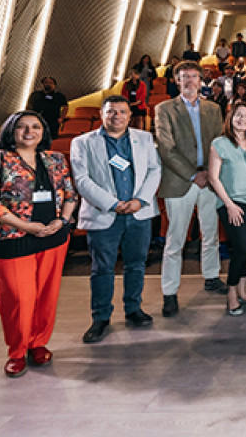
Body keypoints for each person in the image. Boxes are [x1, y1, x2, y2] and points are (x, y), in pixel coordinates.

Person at [0, 111, 77, 377]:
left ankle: (38, 343)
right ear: (10, 131)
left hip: (52, 237)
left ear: (43, 131)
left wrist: (62, 220)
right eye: (22, 127)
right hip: (10, 240)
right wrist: (26, 226)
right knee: (18, 298)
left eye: (35, 127)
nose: (29, 132)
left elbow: (70, 192)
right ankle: (17, 352)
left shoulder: (54, 159)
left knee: (45, 296)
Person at [70, 96, 161, 343]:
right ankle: (100, 317)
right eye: (111, 112)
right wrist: (113, 204)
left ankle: (133, 309)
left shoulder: (144, 138)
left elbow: (155, 170)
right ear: (102, 114)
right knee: (102, 268)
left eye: (122, 112)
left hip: (138, 213)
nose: (116, 116)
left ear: (130, 115)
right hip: (103, 214)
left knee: (136, 264)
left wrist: (140, 200)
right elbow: (82, 180)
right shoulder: (82, 142)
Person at [154, 60, 227, 317]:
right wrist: (192, 174)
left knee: (211, 233)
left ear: (201, 80)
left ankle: (211, 276)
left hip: (209, 180)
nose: (189, 81)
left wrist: (209, 173)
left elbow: (219, 142)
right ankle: (170, 292)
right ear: (176, 80)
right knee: (175, 240)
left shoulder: (213, 108)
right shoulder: (163, 109)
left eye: (194, 77)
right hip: (180, 181)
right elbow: (165, 147)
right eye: (184, 77)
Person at [208, 101, 246, 316]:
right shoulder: (220, 143)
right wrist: (230, 205)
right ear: (230, 119)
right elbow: (213, 178)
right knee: (241, 247)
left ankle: (244, 290)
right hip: (232, 203)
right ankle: (231, 293)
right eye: (238, 115)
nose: (242, 119)